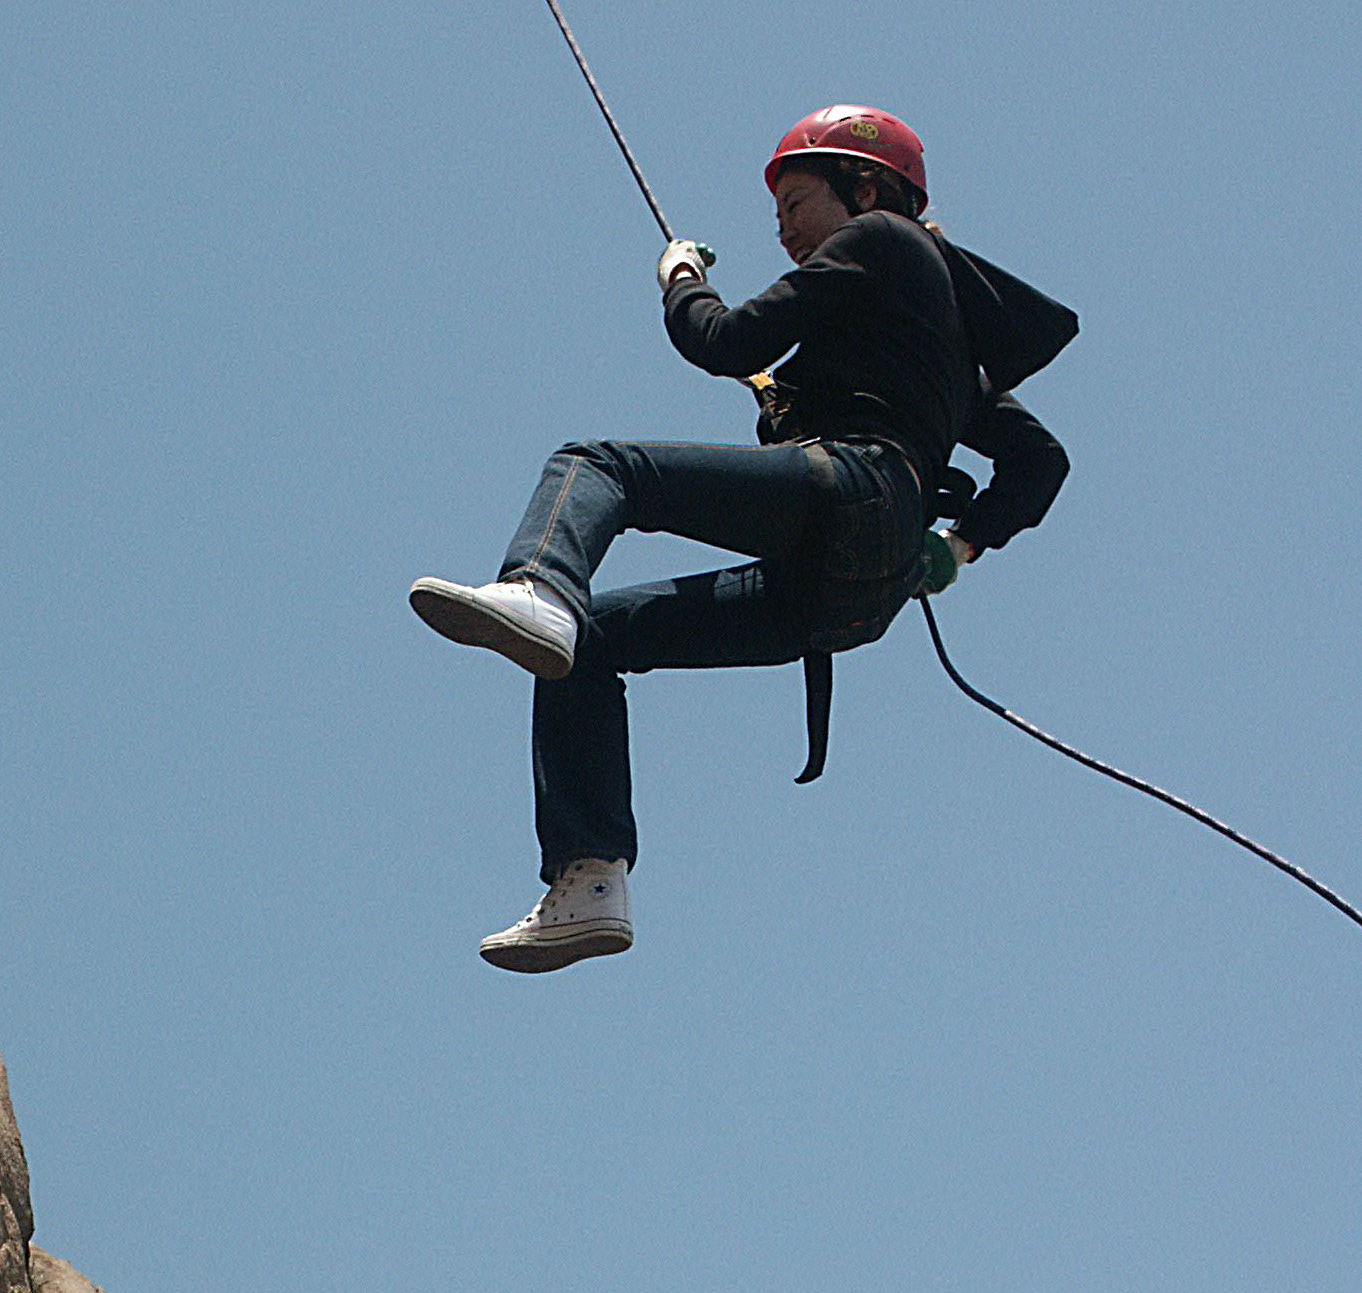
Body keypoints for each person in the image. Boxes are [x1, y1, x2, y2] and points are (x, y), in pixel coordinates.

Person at [409, 104, 1077, 974]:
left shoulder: (879, 239)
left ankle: (539, 581)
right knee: (591, 643)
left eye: (796, 202)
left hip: (848, 493)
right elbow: (1040, 460)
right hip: (851, 598)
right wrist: (958, 545)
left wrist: (681, 279)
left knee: (599, 465)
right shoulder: (941, 327)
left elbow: (725, 340)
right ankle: (591, 876)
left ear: (866, 187)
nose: (786, 230)